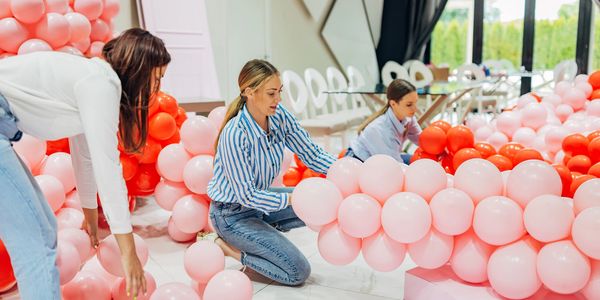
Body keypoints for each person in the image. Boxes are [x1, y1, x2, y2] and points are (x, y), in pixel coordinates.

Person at [0, 28, 170, 299]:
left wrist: (90, 214)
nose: (155, 88)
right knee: (35, 243)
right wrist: (128, 252)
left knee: (44, 230)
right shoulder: (102, 83)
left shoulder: (93, 77)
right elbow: (107, 166)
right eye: (155, 77)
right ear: (139, 69)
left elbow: (85, 153)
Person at [205, 59, 336, 286]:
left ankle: (263, 232)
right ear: (249, 92)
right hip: (232, 215)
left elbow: (311, 154)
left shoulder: (279, 115)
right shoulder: (235, 134)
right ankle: (228, 248)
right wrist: (293, 199)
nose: (278, 100)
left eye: (279, 92)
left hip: (261, 202)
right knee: (298, 272)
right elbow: (246, 195)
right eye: (271, 93)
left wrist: (342, 173)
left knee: (325, 202)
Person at [345, 79, 422, 164]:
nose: (415, 109)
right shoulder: (382, 129)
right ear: (393, 104)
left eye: (415, 103)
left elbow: (423, 140)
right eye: (409, 105)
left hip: (381, 158)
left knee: (419, 161)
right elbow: (395, 167)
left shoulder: (408, 118)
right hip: (357, 161)